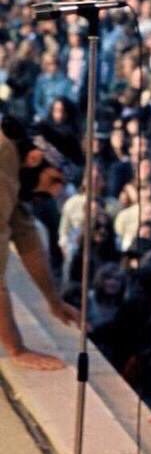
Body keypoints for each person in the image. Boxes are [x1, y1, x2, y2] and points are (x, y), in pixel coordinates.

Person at [0, 115, 80, 369]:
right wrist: (17, 349)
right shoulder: (4, 163)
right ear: (35, 158)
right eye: (54, 180)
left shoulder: (12, 164)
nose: (54, 193)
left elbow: (28, 241)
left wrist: (54, 301)